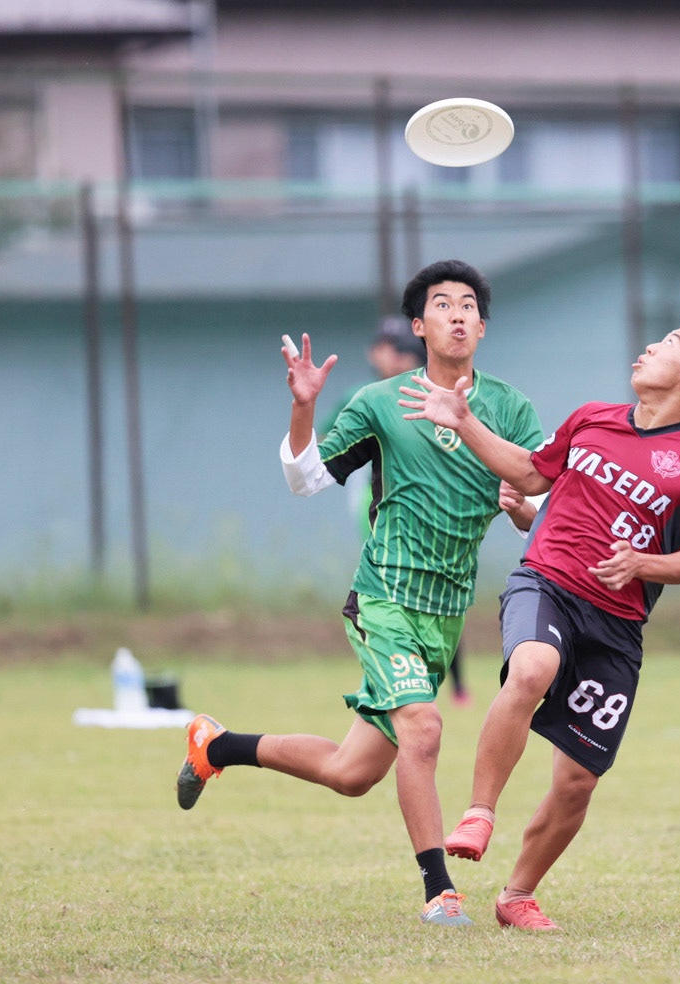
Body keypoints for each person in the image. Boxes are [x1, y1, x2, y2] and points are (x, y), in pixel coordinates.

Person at [174, 260, 545, 927]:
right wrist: (304, 406)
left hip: (445, 613)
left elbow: (540, 500)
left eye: (468, 305)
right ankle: (439, 892)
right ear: (419, 326)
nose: (457, 314)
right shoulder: (380, 402)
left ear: (483, 327)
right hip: (384, 598)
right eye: (442, 304)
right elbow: (306, 479)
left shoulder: (511, 409)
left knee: (352, 773)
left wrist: (521, 510)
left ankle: (217, 746)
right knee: (423, 729)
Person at [398, 322, 680, 931]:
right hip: (547, 582)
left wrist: (643, 564)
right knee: (533, 666)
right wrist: (464, 421)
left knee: (578, 780)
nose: (649, 347)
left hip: (617, 623)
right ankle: (480, 812)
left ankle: (517, 896)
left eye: (668, 344)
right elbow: (532, 473)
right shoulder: (592, 418)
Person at [325, 316, 473, 707]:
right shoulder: (363, 396)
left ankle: (449, 684)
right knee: (392, 584)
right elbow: (324, 449)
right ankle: (393, 673)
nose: (398, 357)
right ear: (374, 352)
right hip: (377, 501)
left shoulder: (438, 394)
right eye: (389, 348)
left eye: (405, 350)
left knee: (437, 590)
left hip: (435, 507)